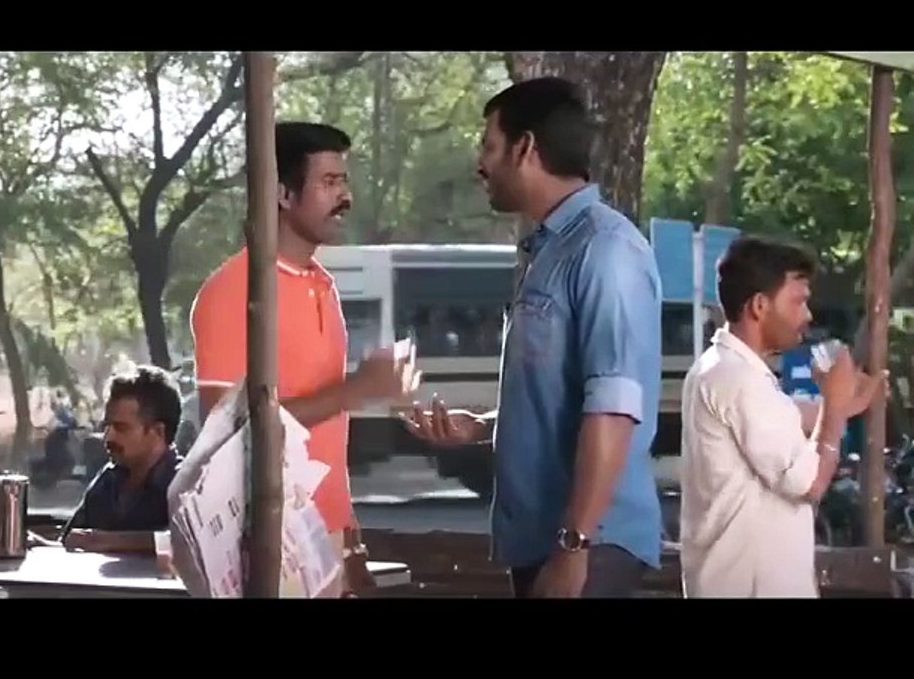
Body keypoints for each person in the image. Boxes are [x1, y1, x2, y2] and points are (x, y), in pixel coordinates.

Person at [403, 77, 663, 597]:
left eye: (488, 146)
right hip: (545, 538)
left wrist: (574, 545)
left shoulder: (606, 249)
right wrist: (482, 428)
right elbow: (564, 396)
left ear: (524, 148)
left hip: (590, 543)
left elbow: (613, 410)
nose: (480, 165)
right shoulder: (548, 250)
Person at [190, 121, 416, 597]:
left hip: (326, 539)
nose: (345, 197)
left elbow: (327, 441)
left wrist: (350, 540)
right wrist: (355, 390)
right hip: (270, 547)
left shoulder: (323, 285)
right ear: (282, 193)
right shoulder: (232, 293)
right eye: (329, 182)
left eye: (344, 181)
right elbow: (226, 438)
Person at [678, 237, 880, 597]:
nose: (808, 315)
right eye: (798, 301)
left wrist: (842, 404)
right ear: (759, 305)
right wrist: (834, 406)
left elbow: (790, 417)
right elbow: (810, 482)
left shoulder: (728, 370)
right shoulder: (738, 378)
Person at [53, 365, 184, 554]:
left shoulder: (185, 486)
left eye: (121, 428)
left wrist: (111, 541)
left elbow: (189, 544)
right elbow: (73, 540)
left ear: (158, 432)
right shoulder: (108, 480)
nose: (108, 438)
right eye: (107, 426)